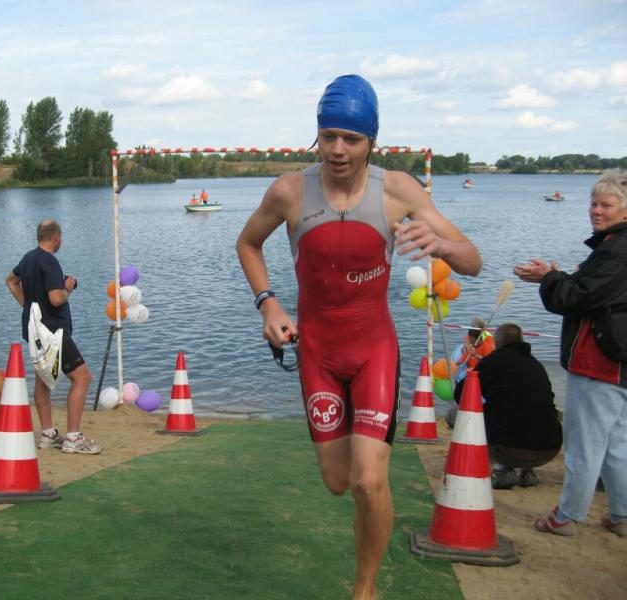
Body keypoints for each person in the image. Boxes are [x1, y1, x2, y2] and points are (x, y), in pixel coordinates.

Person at [236, 74, 482, 599]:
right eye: (328, 136)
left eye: (351, 138)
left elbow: (473, 260)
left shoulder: (398, 190)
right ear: (317, 136)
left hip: (374, 349)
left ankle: (364, 589)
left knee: (370, 480)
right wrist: (269, 304)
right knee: (338, 481)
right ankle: (366, 515)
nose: (338, 149)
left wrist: (441, 243)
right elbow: (248, 244)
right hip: (318, 353)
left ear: (372, 141)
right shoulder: (289, 191)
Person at [514, 168, 627, 538]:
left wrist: (548, 279)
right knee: (617, 442)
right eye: (594, 203)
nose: (596, 210)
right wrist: (557, 276)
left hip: (599, 362)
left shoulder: (615, 252)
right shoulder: (613, 248)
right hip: (618, 362)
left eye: (606, 205)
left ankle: (568, 515)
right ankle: (621, 514)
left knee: (584, 445)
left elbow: (578, 297)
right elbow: (590, 291)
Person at [6, 219, 102, 455]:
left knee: (43, 378)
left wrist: (28, 307)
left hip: (34, 329)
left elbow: (11, 280)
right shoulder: (49, 261)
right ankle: (73, 438)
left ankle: (48, 434)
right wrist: (67, 286)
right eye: (61, 238)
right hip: (53, 331)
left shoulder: (28, 258)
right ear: (57, 238)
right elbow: (56, 299)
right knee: (82, 377)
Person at [453, 323, 562, 489]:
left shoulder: (492, 362)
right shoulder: (536, 365)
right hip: (549, 448)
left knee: (455, 415)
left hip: (507, 448)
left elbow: (460, 395)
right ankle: (527, 471)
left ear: (497, 342)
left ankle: (501, 469)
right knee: (530, 412)